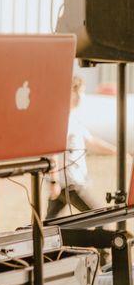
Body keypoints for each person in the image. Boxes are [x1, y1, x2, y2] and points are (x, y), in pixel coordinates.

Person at [46, 76, 118, 219]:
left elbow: (91, 142)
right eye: (75, 91)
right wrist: (54, 181)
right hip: (69, 184)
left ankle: (41, 241)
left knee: (49, 226)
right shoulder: (61, 119)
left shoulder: (73, 118)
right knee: (101, 218)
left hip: (67, 183)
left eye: (82, 92)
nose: (80, 96)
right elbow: (52, 150)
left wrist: (117, 151)